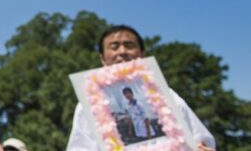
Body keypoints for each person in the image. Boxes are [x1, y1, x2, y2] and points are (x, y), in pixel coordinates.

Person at [66, 25, 216, 151]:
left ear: (142, 54)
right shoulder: (89, 104)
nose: (122, 52)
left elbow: (199, 139)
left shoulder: (167, 96)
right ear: (103, 58)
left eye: (129, 45)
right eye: (114, 46)